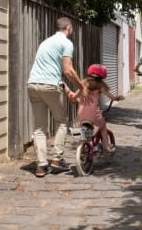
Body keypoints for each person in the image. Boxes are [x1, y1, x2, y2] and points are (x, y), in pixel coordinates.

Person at [27, 17, 87, 178]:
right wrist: (81, 87)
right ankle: (57, 159)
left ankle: (41, 166)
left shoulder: (46, 42)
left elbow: (50, 71)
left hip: (33, 85)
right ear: (68, 28)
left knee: (39, 128)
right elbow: (68, 70)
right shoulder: (66, 43)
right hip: (49, 86)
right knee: (61, 122)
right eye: (72, 28)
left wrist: (67, 91)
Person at [64, 64, 124, 153]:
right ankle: (106, 145)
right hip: (94, 114)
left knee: (85, 128)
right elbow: (112, 97)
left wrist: (71, 95)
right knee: (103, 126)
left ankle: (84, 146)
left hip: (81, 114)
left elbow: (74, 97)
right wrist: (118, 98)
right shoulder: (100, 86)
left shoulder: (83, 84)